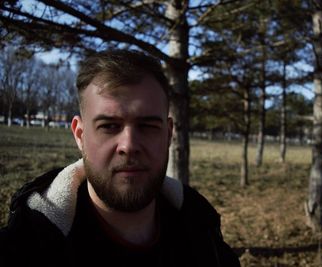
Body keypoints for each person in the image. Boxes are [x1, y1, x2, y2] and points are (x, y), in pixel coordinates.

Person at [0, 50, 240, 267]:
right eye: (109, 126)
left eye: (147, 126)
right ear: (80, 135)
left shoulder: (201, 229)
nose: (129, 145)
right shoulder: (26, 247)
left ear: (168, 134)